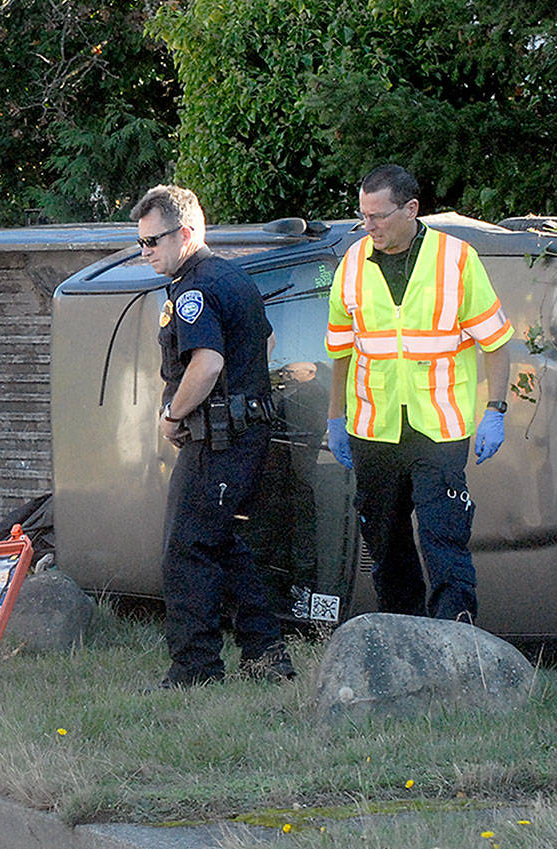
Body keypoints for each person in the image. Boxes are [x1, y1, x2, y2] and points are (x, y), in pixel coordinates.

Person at [325, 164, 513, 621]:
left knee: (443, 539)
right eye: (363, 215)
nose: (369, 225)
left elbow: (495, 342)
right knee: (386, 547)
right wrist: (335, 419)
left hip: (438, 429)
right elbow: (341, 351)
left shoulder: (456, 259)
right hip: (373, 428)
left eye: (378, 216)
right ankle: (402, 637)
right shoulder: (353, 263)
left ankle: (454, 636)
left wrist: (496, 410)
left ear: (411, 209)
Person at [130, 184, 293, 688]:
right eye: (141, 242)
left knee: (186, 550)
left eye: (153, 241)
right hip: (241, 432)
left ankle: (195, 667)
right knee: (221, 542)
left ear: (184, 234)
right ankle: (267, 656)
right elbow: (264, 340)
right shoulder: (232, 276)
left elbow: (207, 363)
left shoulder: (195, 289)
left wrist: (172, 415)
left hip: (220, 439)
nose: (145, 251)